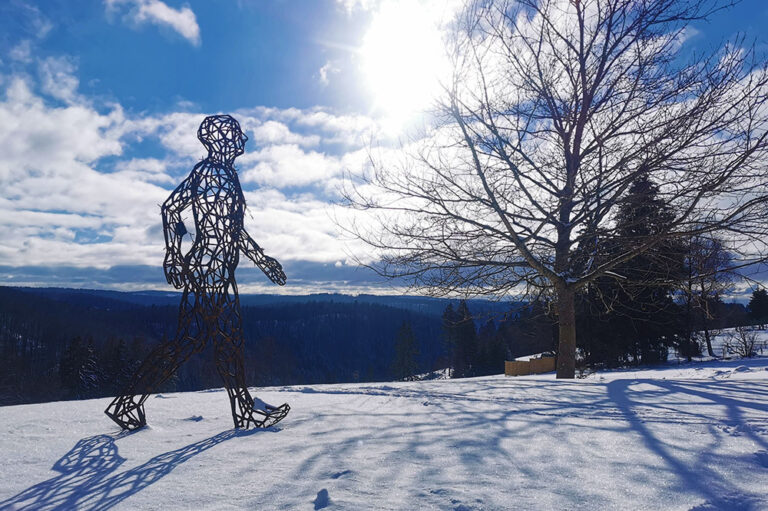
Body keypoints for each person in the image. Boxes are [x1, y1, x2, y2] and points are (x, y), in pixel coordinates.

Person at [105, 115, 290, 430]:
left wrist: (263, 260)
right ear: (220, 139)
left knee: (219, 341)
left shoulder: (228, 175)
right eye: (236, 135)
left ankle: (244, 409)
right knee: (196, 342)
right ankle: (128, 404)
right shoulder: (207, 172)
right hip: (208, 267)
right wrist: (173, 254)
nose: (242, 140)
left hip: (220, 269)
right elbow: (171, 208)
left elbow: (233, 231)